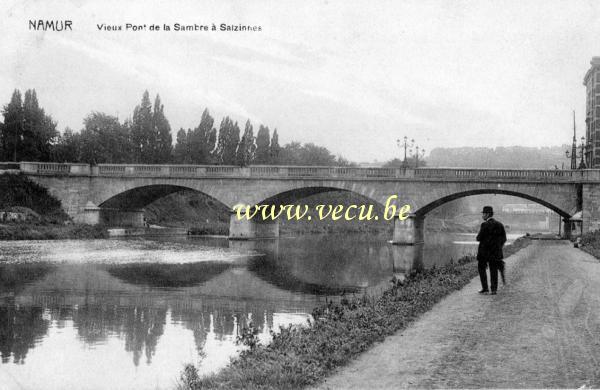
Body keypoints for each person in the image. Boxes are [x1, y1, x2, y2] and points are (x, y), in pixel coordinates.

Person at [476, 206, 507, 295]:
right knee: (493, 270)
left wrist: (484, 243)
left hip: (484, 253)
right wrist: (497, 246)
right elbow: (504, 239)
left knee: (481, 269)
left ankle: (485, 288)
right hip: (495, 252)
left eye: (483, 214)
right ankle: (494, 289)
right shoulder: (500, 224)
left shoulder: (484, 225)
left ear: (487, 214)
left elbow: (479, 238)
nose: (482, 216)